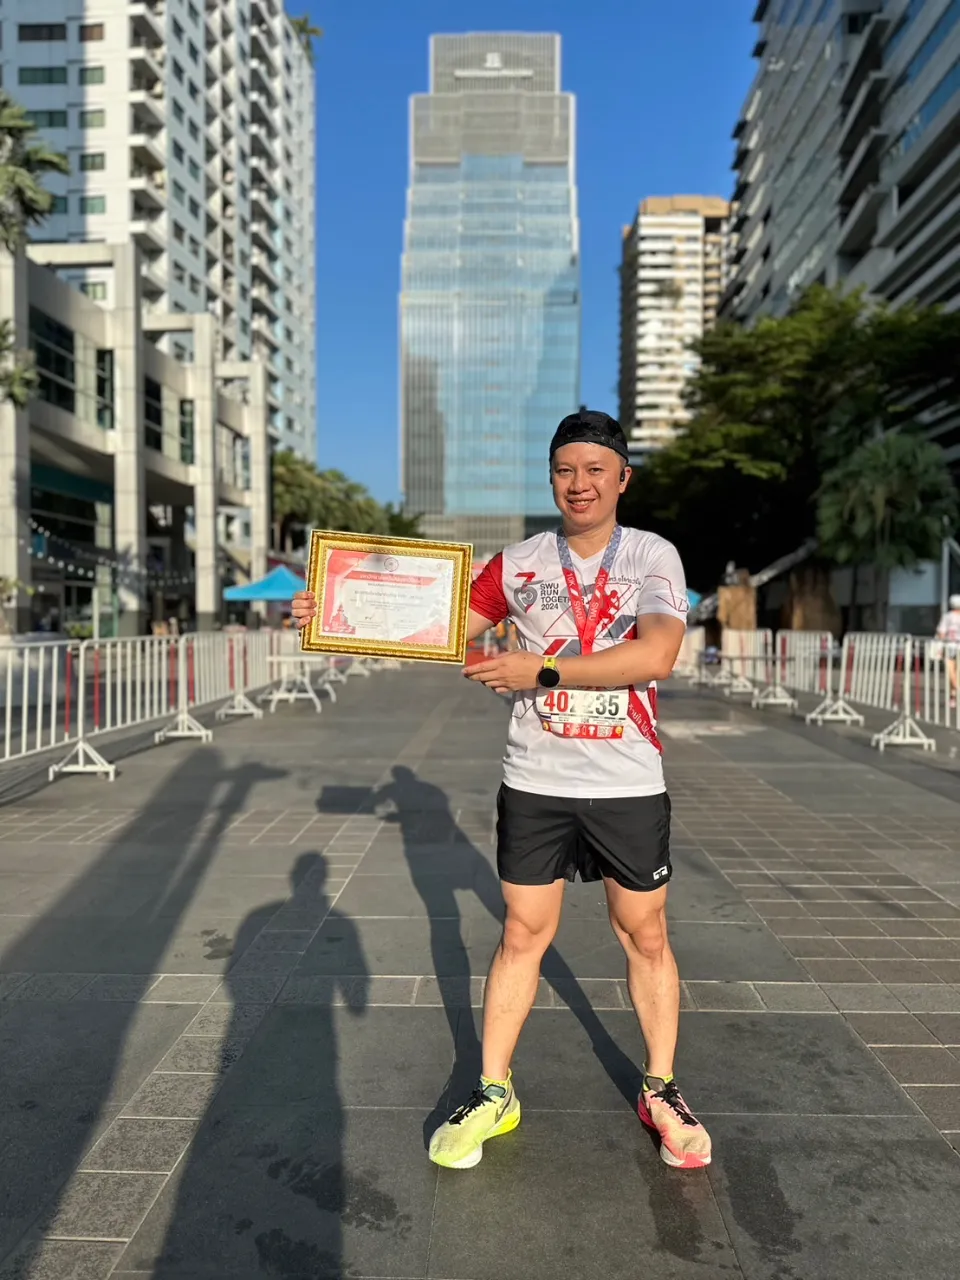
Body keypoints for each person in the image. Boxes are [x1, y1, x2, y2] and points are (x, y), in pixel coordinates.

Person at [290, 409, 710, 1172]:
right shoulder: (516, 563)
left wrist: (538, 670)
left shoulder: (653, 555)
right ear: (550, 478)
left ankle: (661, 1088)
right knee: (521, 933)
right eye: (564, 470)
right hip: (536, 780)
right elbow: (436, 627)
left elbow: (657, 654)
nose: (578, 484)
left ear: (622, 478)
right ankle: (493, 1089)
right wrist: (333, 612)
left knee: (644, 934)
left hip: (626, 782)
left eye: (594, 470)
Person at [934, 593, 960, 708]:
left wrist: (939, 647)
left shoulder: (947, 616)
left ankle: (954, 695)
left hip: (950, 645)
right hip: (952, 645)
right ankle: (954, 695)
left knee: (951, 672)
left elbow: (941, 633)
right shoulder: (947, 616)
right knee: (955, 673)